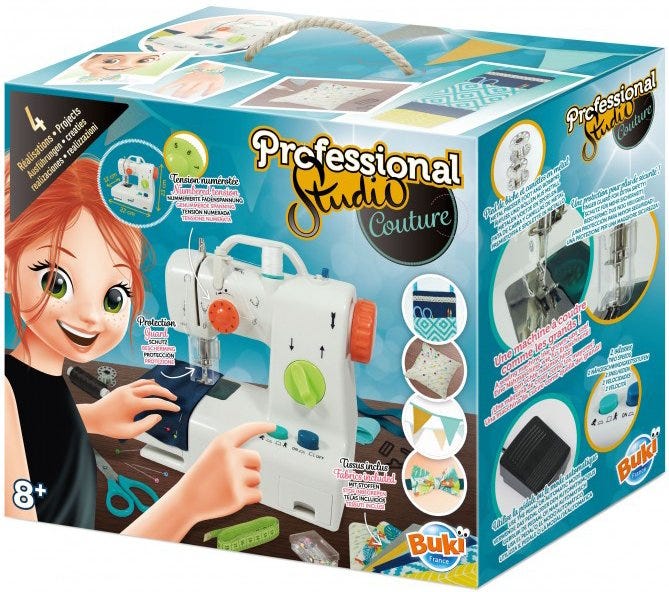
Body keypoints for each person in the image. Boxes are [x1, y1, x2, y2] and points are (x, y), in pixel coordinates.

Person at [4, 155, 273, 540]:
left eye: (114, 297)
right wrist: (188, 503)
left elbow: (30, 428)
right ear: (6, 267)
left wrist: (88, 418)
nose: (91, 317)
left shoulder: (20, 379)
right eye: (56, 282)